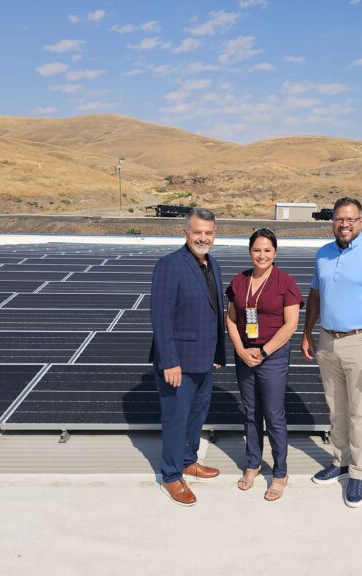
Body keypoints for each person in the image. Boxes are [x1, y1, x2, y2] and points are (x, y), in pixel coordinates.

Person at [301, 197, 362, 508]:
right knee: (336, 408)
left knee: (359, 411)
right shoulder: (323, 254)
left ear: (361, 222)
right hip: (327, 340)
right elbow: (315, 295)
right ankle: (340, 462)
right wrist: (307, 331)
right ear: (332, 221)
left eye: (350, 219)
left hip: (361, 341)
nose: (344, 224)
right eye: (339, 219)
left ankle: (357, 473)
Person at [150, 208, 226, 506]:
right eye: (197, 232)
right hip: (178, 361)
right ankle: (171, 476)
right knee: (176, 418)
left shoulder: (213, 264)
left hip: (204, 358)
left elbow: (214, 312)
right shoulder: (170, 265)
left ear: (214, 235)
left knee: (196, 415)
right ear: (186, 233)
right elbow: (161, 317)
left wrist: (217, 352)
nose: (203, 238)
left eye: (208, 233)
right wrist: (169, 361)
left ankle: (187, 460)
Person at [225, 228, 303, 502]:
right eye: (257, 250)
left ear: (275, 253)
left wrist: (264, 351)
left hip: (273, 356)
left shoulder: (285, 282)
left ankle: (280, 473)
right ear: (250, 252)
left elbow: (291, 324)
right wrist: (241, 350)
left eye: (267, 250)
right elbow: (231, 318)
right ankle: (253, 464)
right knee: (251, 412)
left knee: (273, 414)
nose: (262, 255)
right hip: (245, 356)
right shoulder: (239, 281)